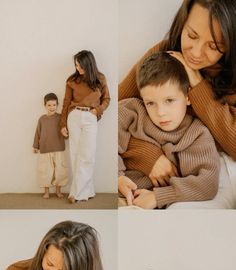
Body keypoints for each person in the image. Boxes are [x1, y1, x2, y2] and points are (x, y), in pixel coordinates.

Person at [119, 0, 236, 209]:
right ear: (182, 24)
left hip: (201, 178)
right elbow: (115, 114)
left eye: (213, 46)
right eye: (191, 35)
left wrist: (198, 86)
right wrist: (150, 157)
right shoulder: (163, 57)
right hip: (142, 179)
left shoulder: (231, 80)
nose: (196, 52)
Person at [118, 52, 219, 208]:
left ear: (188, 96)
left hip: (145, 205)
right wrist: (117, 177)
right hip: (118, 193)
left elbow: (207, 184)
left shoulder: (196, 134)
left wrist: (157, 197)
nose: (160, 113)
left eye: (169, 101)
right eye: (150, 103)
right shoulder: (133, 111)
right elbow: (105, 138)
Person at [60, 50, 110, 203]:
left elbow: (106, 99)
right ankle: (85, 191)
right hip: (73, 117)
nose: (78, 69)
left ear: (88, 64)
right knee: (75, 155)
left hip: (90, 117)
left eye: (80, 66)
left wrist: (97, 111)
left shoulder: (100, 79)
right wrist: (63, 124)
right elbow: (66, 103)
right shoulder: (71, 80)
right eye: (76, 65)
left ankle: (75, 193)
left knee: (87, 155)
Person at [33, 93, 68, 199]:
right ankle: (46, 192)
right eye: (49, 105)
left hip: (59, 148)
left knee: (60, 170)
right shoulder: (42, 119)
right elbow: (38, 133)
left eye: (54, 105)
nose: (52, 107)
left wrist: (66, 134)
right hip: (45, 149)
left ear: (57, 105)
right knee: (45, 171)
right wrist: (35, 146)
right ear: (45, 105)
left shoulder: (61, 118)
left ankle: (58, 191)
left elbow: (66, 130)